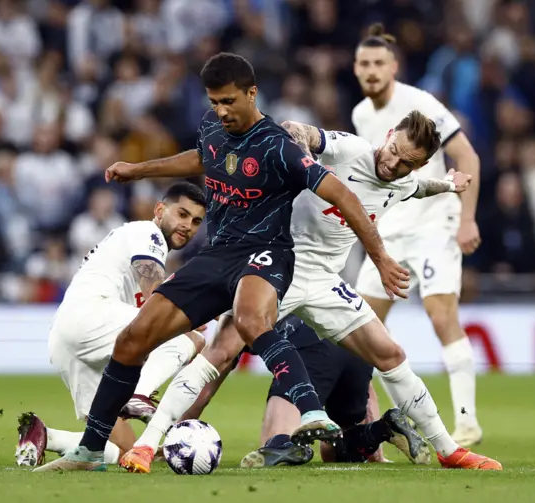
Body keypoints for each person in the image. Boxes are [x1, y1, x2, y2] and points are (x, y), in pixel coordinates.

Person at [36, 52, 409, 473]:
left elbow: (341, 194)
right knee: (132, 340)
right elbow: (201, 158)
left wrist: (379, 258)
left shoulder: (278, 146)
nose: (222, 110)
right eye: (214, 102)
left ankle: (310, 411)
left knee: (251, 320)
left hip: (268, 253)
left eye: (229, 101)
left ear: (252, 93)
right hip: (219, 253)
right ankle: (89, 451)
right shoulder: (213, 128)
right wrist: (139, 171)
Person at [119, 116, 501, 472]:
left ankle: (449, 450)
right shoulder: (350, 149)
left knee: (391, 354)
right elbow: (296, 130)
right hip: (276, 265)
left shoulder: (402, 181)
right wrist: (301, 151)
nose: (392, 164)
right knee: (219, 351)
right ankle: (147, 445)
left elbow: (418, 189)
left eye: (405, 162)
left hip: (322, 280)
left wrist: (450, 184)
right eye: (394, 151)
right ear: (387, 137)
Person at [352, 24, 483, 446]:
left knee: (440, 315)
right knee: (363, 328)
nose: (371, 70)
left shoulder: (420, 103)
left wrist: (467, 219)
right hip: (388, 230)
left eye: (378, 63)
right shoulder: (360, 114)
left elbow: (467, 156)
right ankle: (397, 421)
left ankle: (466, 421)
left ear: (393, 67)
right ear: (355, 68)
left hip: (432, 222)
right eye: (363, 63)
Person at [18, 182, 207, 467]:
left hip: (66, 337)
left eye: (195, 221)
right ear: (159, 210)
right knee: (191, 338)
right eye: (182, 214)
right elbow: (156, 291)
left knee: (124, 449)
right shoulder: (148, 232)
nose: (188, 226)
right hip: (93, 314)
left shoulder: (130, 237)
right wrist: (194, 313)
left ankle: (46, 435)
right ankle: (140, 394)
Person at [175, 315, 432, 468]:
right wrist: (375, 449)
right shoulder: (285, 280)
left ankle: (296, 447)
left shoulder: (241, 307)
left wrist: (175, 433)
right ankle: (384, 428)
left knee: (275, 445)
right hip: (354, 352)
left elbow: (207, 385)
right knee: (335, 453)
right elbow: (367, 387)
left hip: (310, 351)